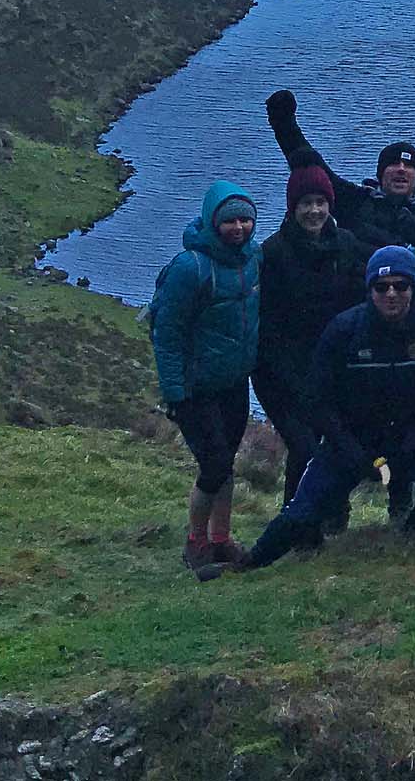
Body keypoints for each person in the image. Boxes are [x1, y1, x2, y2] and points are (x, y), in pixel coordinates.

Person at [235, 245, 415, 573]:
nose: (391, 294)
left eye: (401, 285)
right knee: (302, 512)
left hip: (407, 435)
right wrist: (348, 447)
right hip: (350, 439)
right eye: (381, 287)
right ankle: (250, 563)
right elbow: (318, 399)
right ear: (369, 290)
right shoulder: (344, 330)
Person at [150, 179, 262, 575]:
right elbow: (168, 334)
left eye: (245, 220)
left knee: (225, 464)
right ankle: (195, 543)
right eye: (230, 221)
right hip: (196, 389)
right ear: (213, 221)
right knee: (214, 466)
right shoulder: (189, 268)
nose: (238, 229)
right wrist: (175, 392)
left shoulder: (252, 259)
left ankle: (220, 539)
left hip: (234, 382)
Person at [253, 158, 367, 504]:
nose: (314, 211)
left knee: (335, 444)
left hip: (329, 367)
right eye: (306, 203)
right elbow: (267, 326)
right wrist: (293, 380)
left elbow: (360, 298)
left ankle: (332, 517)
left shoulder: (345, 244)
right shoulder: (272, 253)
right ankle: (295, 522)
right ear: (292, 207)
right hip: (280, 372)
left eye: (321, 202)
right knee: (303, 448)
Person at [265, 90, 415, 304]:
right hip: (353, 310)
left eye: (408, 166)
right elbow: (313, 165)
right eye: (393, 164)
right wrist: (284, 123)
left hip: (403, 313)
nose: (401, 170)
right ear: (380, 175)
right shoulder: (355, 201)